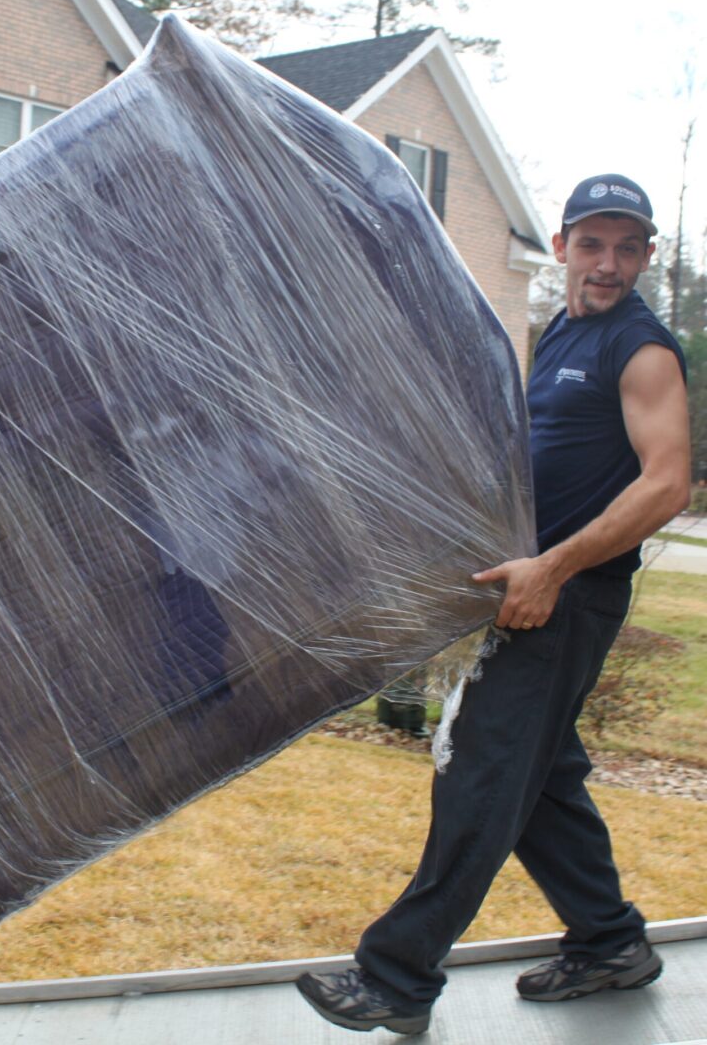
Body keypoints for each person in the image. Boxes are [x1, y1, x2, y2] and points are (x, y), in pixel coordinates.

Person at [296, 174, 691, 1035]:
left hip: (565, 599)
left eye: (628, 248)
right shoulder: (561, 335)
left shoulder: (641, 347)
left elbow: (667, 484)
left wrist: (551, 567)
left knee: (483, 774)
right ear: (560, 248)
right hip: (534, 590)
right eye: (592, 244)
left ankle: (396, 977)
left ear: (648, 256)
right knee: (541, 778)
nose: (609, 263)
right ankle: (611, 942)